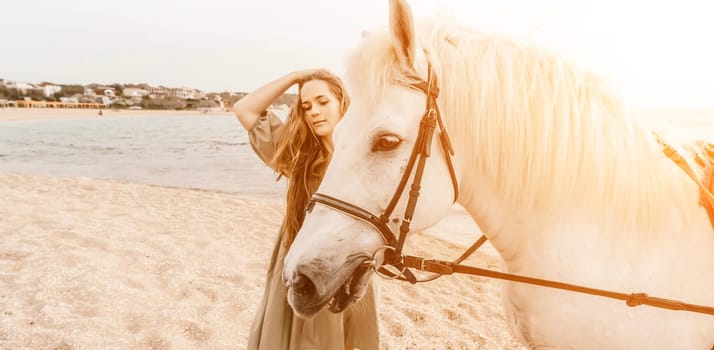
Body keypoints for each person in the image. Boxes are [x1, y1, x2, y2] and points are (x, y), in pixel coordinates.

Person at [234, 69, 381, 350]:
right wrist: (296, 77)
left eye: (322, 102)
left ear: (341, 102)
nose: (314, 111)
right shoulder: (300, 156)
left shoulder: (364, 157)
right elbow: (244, 109)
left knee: (345, 337)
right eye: (306, 106)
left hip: (349, 256)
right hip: (302, 253)